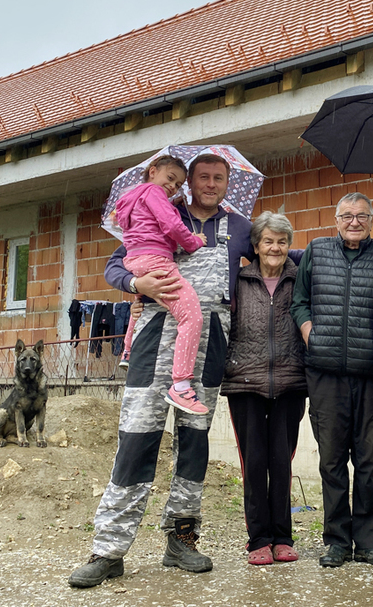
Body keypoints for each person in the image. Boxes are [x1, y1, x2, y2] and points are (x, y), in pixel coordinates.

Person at [69, 152, 255, 588]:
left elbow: (276, 254)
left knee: (193, 445)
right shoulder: (160, 211)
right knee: (137, 439)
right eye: (203, 177)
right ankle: (109, 550)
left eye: (218, 178)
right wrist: (137, 284)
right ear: (188, 181)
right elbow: (117, 264)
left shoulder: (241, 228)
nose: (210, 183)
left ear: (228, 183)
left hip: (209, 346)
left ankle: (182, 540)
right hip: (156, 341)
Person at [290, 192, 373, 568]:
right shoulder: (317, 251)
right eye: (347, 216)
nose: (355, 222)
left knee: (369, 460)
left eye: (363, 216)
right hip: (324, 374)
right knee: (331, 461)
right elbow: (299, 300)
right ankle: (336, 541)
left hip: (371, 375)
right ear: (336, 220)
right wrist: (309, 332)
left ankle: (368, 542)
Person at [221, 211, 306, 566]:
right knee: (253, 462)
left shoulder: (300, 278)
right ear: (255, 246)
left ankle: (282, 537)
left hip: (290, 379)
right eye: (268, 241)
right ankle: (258, 538)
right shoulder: (238, 280)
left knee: (281, 461)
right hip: (245, 381)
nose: (275, 247)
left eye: (282, 241)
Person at [115, 154, 207, 414]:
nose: (173, 187)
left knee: (142, 302)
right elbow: (171, 224)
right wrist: (193, 241)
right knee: (191, 315)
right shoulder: (153, 192)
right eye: (170, 178)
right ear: (152, 171)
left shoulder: (130, 199)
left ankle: (128, 351)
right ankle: (180, 386)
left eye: (178, 185)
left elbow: (148, 229)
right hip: (156, 261)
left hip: (135, 260)